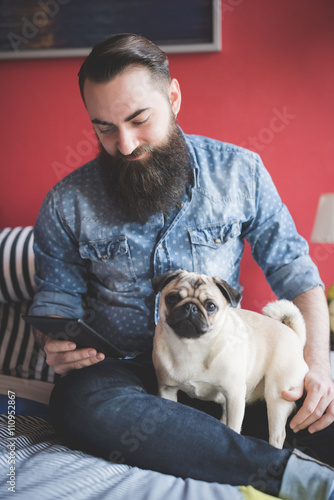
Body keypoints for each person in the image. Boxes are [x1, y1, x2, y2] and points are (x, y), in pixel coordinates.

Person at [30, 33, 334, 498]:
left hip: (227, 363)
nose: (125, 144)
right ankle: (280, 472)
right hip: (124, 375)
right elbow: (54, 305)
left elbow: (297, 274)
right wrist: (54, 345)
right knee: (75, 402)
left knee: (321, 407)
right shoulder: (66, 203)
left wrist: (316, 366)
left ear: (173, 96)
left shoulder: (241, 172)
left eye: (138, 119)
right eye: (105, 128)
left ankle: (203, 440)